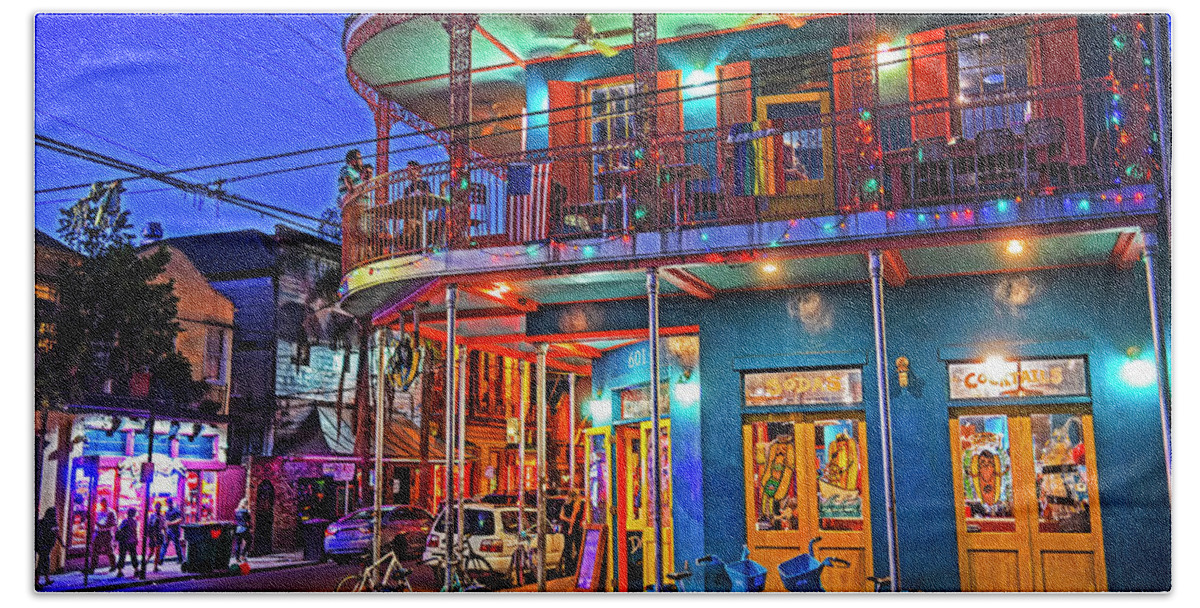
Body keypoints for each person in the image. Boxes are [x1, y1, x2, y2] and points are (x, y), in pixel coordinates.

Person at [558, 489, 585, 573]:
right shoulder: (577, 503)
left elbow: (561, 516)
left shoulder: (565, 504)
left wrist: (567, 520)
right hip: (575, 528)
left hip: (565, 527)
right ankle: (575, 567)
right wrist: (571, 526)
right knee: (579, 547)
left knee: (567, 548)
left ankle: (567, 568)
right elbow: (573, 517)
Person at [35, 507, 61, 587]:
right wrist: (62, 543)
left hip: (43, 545)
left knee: (45, 562)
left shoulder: (42, 521)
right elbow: (56, 534)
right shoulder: (52, 522)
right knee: (42, 563)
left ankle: (46, 579)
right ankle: (36, 581)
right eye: (55, 513)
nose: (56, 515)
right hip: (46, 546)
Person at [91, 498, 118, 573]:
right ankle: (92, 567)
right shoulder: (99, 511)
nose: (102, 504)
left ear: (107, 503)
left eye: (104, 503)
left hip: (107, 533)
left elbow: (113, 523)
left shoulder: (111, 512)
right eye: (102, 503)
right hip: (98, 532)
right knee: (95, 550)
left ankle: (113, 566)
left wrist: (103, 526)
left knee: (109, 550)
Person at [114, 508, 139, 576]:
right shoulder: (134, 522)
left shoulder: (124, 521)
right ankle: (136, 570)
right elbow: (134, 532)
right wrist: (136, 539)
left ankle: (119, 571)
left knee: (122, 556)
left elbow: (120, 530)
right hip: (131, 541)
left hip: (124, 541)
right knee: (133, 556)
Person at [160, 497, 186, 564]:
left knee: (176, 545)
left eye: (168, 503)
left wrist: (170, 523)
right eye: (167, 503)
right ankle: (160, 560)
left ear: (171, 503)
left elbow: (180, 519)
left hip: (175, 531)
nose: (168, 504)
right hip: (169, 530)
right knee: (165, 544)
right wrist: (165, 528)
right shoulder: (167, 511)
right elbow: (166, 521)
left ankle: (180, 559)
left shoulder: (176, 510)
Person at [146, 502, 165, 572]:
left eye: (159, 507)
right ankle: (149, 564)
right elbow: (150, 526)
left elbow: (163, 526)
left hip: (157, 535)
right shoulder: (154, 516)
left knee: (154, 552)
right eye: (157, 507)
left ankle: (153, 566)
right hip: (155, 535)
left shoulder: (159, 516)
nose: (158, 508)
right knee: (154, 552)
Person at [233, 497, 253, 562]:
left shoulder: (236, 511)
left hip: (237, 529)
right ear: (246, 504)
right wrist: (250, 527)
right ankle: (243, 555)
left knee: (238, 544)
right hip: (244, 528)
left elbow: (236, 520)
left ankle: (237, 558)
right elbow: (248, 522)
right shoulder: (246, 512)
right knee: (249, 541)